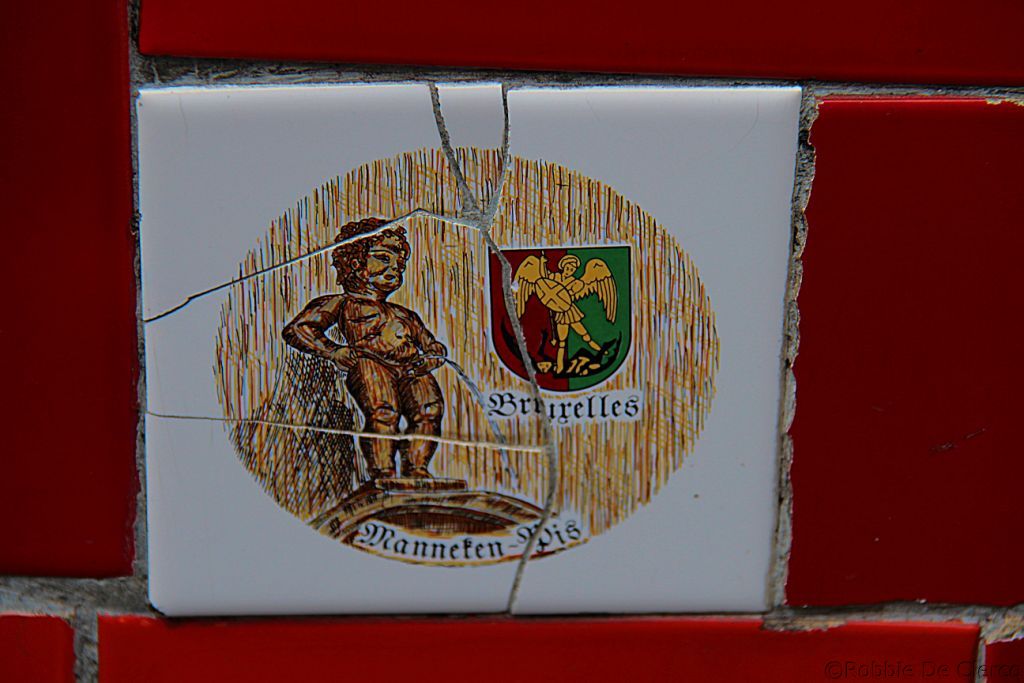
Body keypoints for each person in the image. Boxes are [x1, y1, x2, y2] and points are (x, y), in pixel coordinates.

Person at [282, 217, 446, 480]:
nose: (394, 268)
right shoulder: (342, 303)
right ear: (355, 262)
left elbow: (432, 345)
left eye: (399, 264)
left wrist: (433, 356)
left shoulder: (405, 314)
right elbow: (298, 328)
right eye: (383, 258)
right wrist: (332, 351)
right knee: (384, 411)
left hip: (411, 368)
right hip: (371, 364)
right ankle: (383, 473)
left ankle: (417, 469)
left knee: (429, 410)